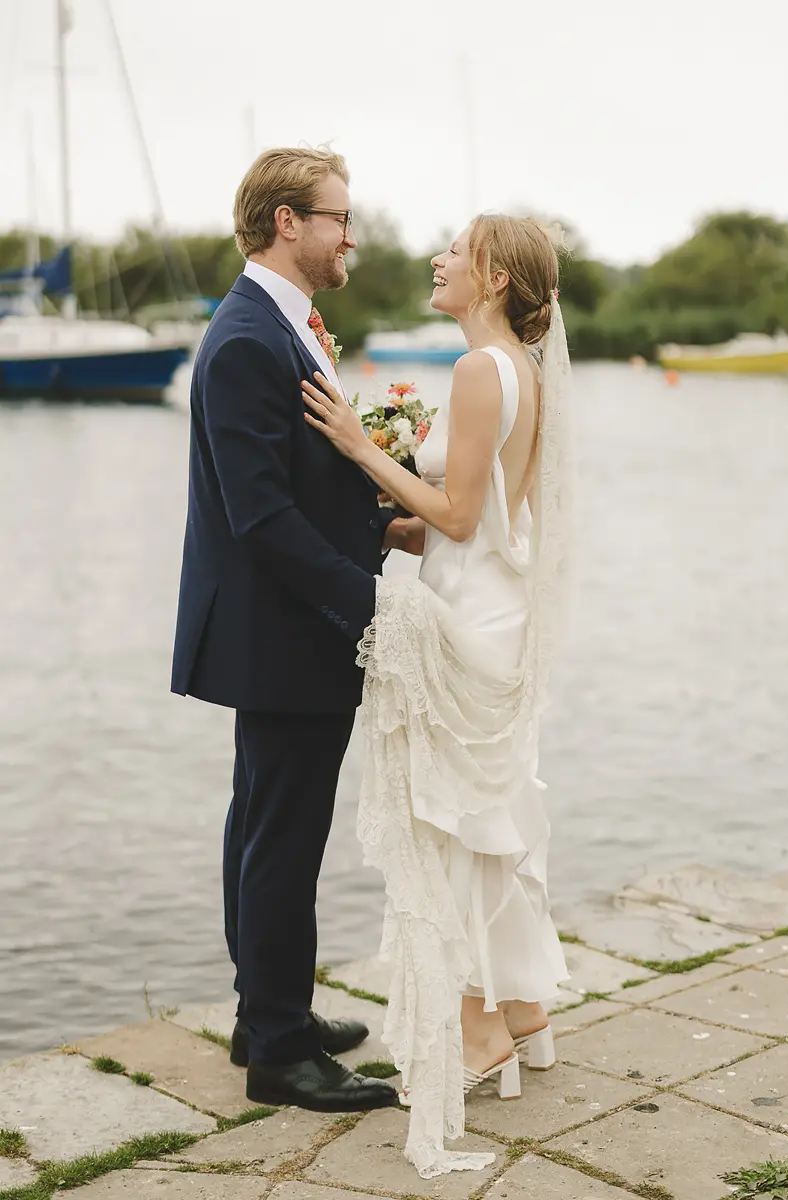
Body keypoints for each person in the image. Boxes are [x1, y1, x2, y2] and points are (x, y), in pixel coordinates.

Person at [301, 212, 573, 1174]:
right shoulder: (523, 370)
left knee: (455, 824)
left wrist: (358, 446)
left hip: (470, 618)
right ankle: (524, 1009)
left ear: (493, 277)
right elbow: (485, 514)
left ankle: (479, 1032)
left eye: (454, 250)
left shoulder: (476, 370)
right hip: (494, 602)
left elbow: (457, 513)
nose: (437, 258)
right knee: (490, 814)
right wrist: (398, 523)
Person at [171, 147, 421, 1113]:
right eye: (339, 218)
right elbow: (261, 516)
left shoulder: (282, 327)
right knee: (282, 837)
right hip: (285, 632)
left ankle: (264, 1013)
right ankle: (279, 1051)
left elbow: (300, 488)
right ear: (288, 222)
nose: (350, 236)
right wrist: (372, 602)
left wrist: (381, 524)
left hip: (284, 626)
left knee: (261, 822)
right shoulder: (246, 339)